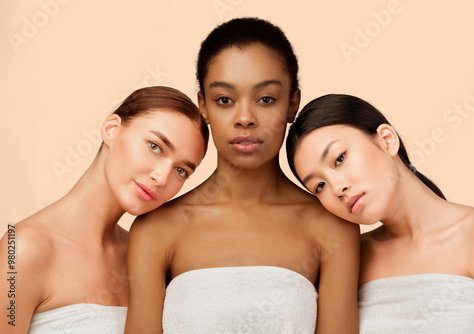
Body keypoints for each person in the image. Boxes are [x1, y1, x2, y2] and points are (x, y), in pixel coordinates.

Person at [125, 18, 359, 333]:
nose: (245, 118)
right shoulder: (155, 229)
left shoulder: (333, 226)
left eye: (266, 99)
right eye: (225, 100)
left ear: (293, 103)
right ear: (203, 107)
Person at [0, 86, 209, 333]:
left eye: (181, 170)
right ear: (112, 130)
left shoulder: (144, 255)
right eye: (155, 146)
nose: (162, 178)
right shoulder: (22, 248)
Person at [286, 93, 474, 333]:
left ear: (386, 140)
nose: (337, 188)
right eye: (319, 186)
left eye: (340, 158)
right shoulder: (349, 259)